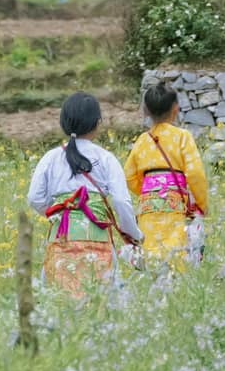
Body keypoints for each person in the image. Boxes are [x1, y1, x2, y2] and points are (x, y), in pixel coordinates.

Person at [26, 92, 141, 297]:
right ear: (97, 123)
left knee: (59, 300)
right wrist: (134, 235)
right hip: (97, 238)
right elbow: (122, 202)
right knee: (101, 302)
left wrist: (56, 213)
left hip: (61, 237)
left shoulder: (51, 158)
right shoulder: (106, 158)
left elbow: (35, 198)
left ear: (63, 123)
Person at [123, 83, 209, 266]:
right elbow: (195, 173)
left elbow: (129, 176)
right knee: (178, 256)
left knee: (152, 254)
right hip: (176, 206)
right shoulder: (182, 137)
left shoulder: (142, 141)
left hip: (148, 207)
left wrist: (149, 191)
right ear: (175, 110)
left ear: (146, 111)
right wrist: (201, 204)